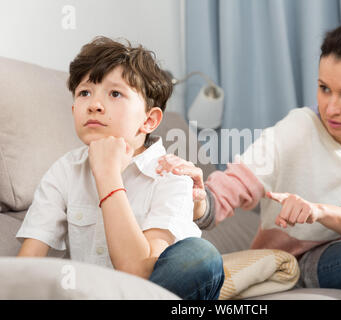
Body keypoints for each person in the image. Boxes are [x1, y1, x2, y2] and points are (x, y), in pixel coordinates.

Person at [156, 22, 341, 300]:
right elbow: (228, 190)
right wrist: (198, 198)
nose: (331, 107)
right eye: (324, 88)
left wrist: (320, 212)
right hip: (296, 260)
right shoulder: (296, 130)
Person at [16, 36, 224, 300]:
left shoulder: (172, 175)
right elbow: (27, 265)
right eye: (84, 93)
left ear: (149, 120)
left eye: (115, 93)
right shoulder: (64, 170)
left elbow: (137, 273)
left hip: (145, 293)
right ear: (73, 109)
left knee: (199, 256)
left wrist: (108, 175)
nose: (94, 104)